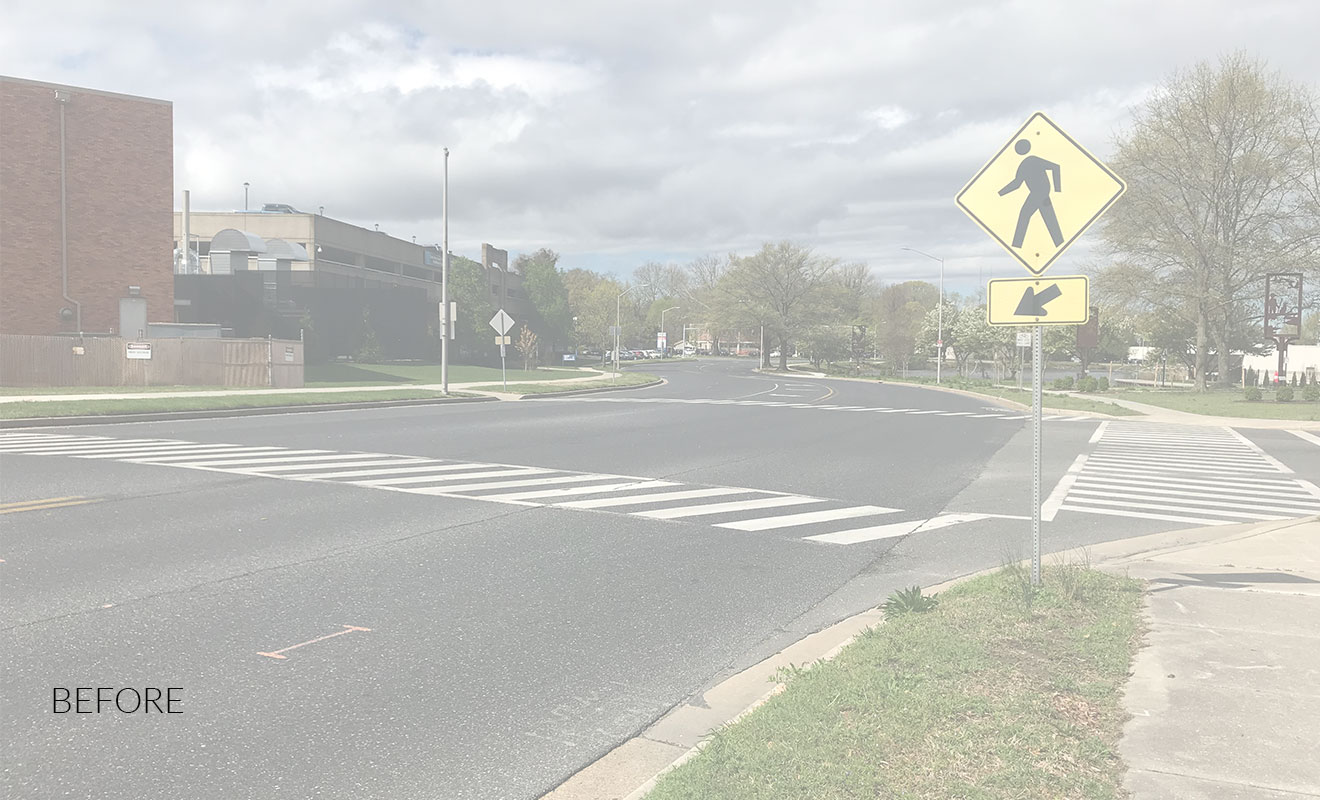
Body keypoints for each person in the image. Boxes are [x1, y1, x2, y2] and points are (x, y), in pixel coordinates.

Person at [999, 139, 1063, 248]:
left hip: (1040, 193)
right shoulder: (1024, 164)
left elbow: (1055, 167)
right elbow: (1017, 183)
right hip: (1038, 194)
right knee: (1047, 218)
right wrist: (1000, 193)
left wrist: (1057, 189)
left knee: (1025, 215)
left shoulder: (1032, 160)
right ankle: (1059, 242)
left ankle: (1017, 244)